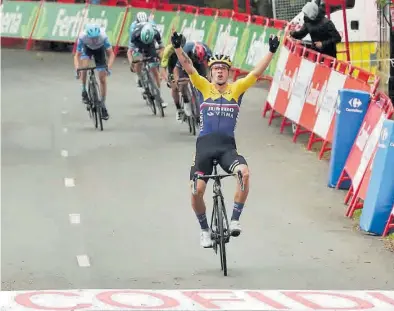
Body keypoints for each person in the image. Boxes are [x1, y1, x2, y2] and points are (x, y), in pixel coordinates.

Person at [171, 31, 280, 248]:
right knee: (196, 191)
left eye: (223, 69)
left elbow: (257, 73)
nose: (220, 72)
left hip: (227, 148)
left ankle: (235, 219)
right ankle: (204, 230)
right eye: (216, 69)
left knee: (244, 173)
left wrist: (271, 51)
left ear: (229, 74)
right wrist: (177, 47)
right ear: (210, 73)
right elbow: (188, 65)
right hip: (204, 148)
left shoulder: (236, 88)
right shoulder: (203, 86)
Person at [74, 24, 115, 120]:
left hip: (100, 50)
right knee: (84, 67)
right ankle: (84, 90)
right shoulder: (82, 37)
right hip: (87, 49)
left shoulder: (103, 36)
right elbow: (77, 56)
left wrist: (108, 67)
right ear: (87, 35)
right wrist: (77, 69)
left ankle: (103, 105)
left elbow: (111, 54)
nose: (94, 40)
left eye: (96, 37)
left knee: (102, 78)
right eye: (91, 38)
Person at [127, 22, 167, 108]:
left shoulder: (156, 33)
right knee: (138, 63)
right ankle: (140, 79)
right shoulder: (135, 35)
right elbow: (130, 51)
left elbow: (162, 48)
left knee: (154, 69)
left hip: (150, 45)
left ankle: (159, 96)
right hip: (138, 45)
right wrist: (132, 63)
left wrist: (160, 57)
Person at [173, 41, 212, 120]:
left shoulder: (208, 52)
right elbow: (176, 68)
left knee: (206, 82)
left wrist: (209, 78)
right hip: (187, 62)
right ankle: (186, 101)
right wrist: (177, 79)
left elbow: (210, 68)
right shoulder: (185, 52)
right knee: (182, 84)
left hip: (200, 65)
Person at [160, 33, 187, 121]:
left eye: (182, 47)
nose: (180, 49)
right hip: (172, 65)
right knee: (174, 87)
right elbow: (163, 68)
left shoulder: (187, 48)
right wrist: (167, 80)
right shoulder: (168, 50)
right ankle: (179, 108)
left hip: (184, 64)